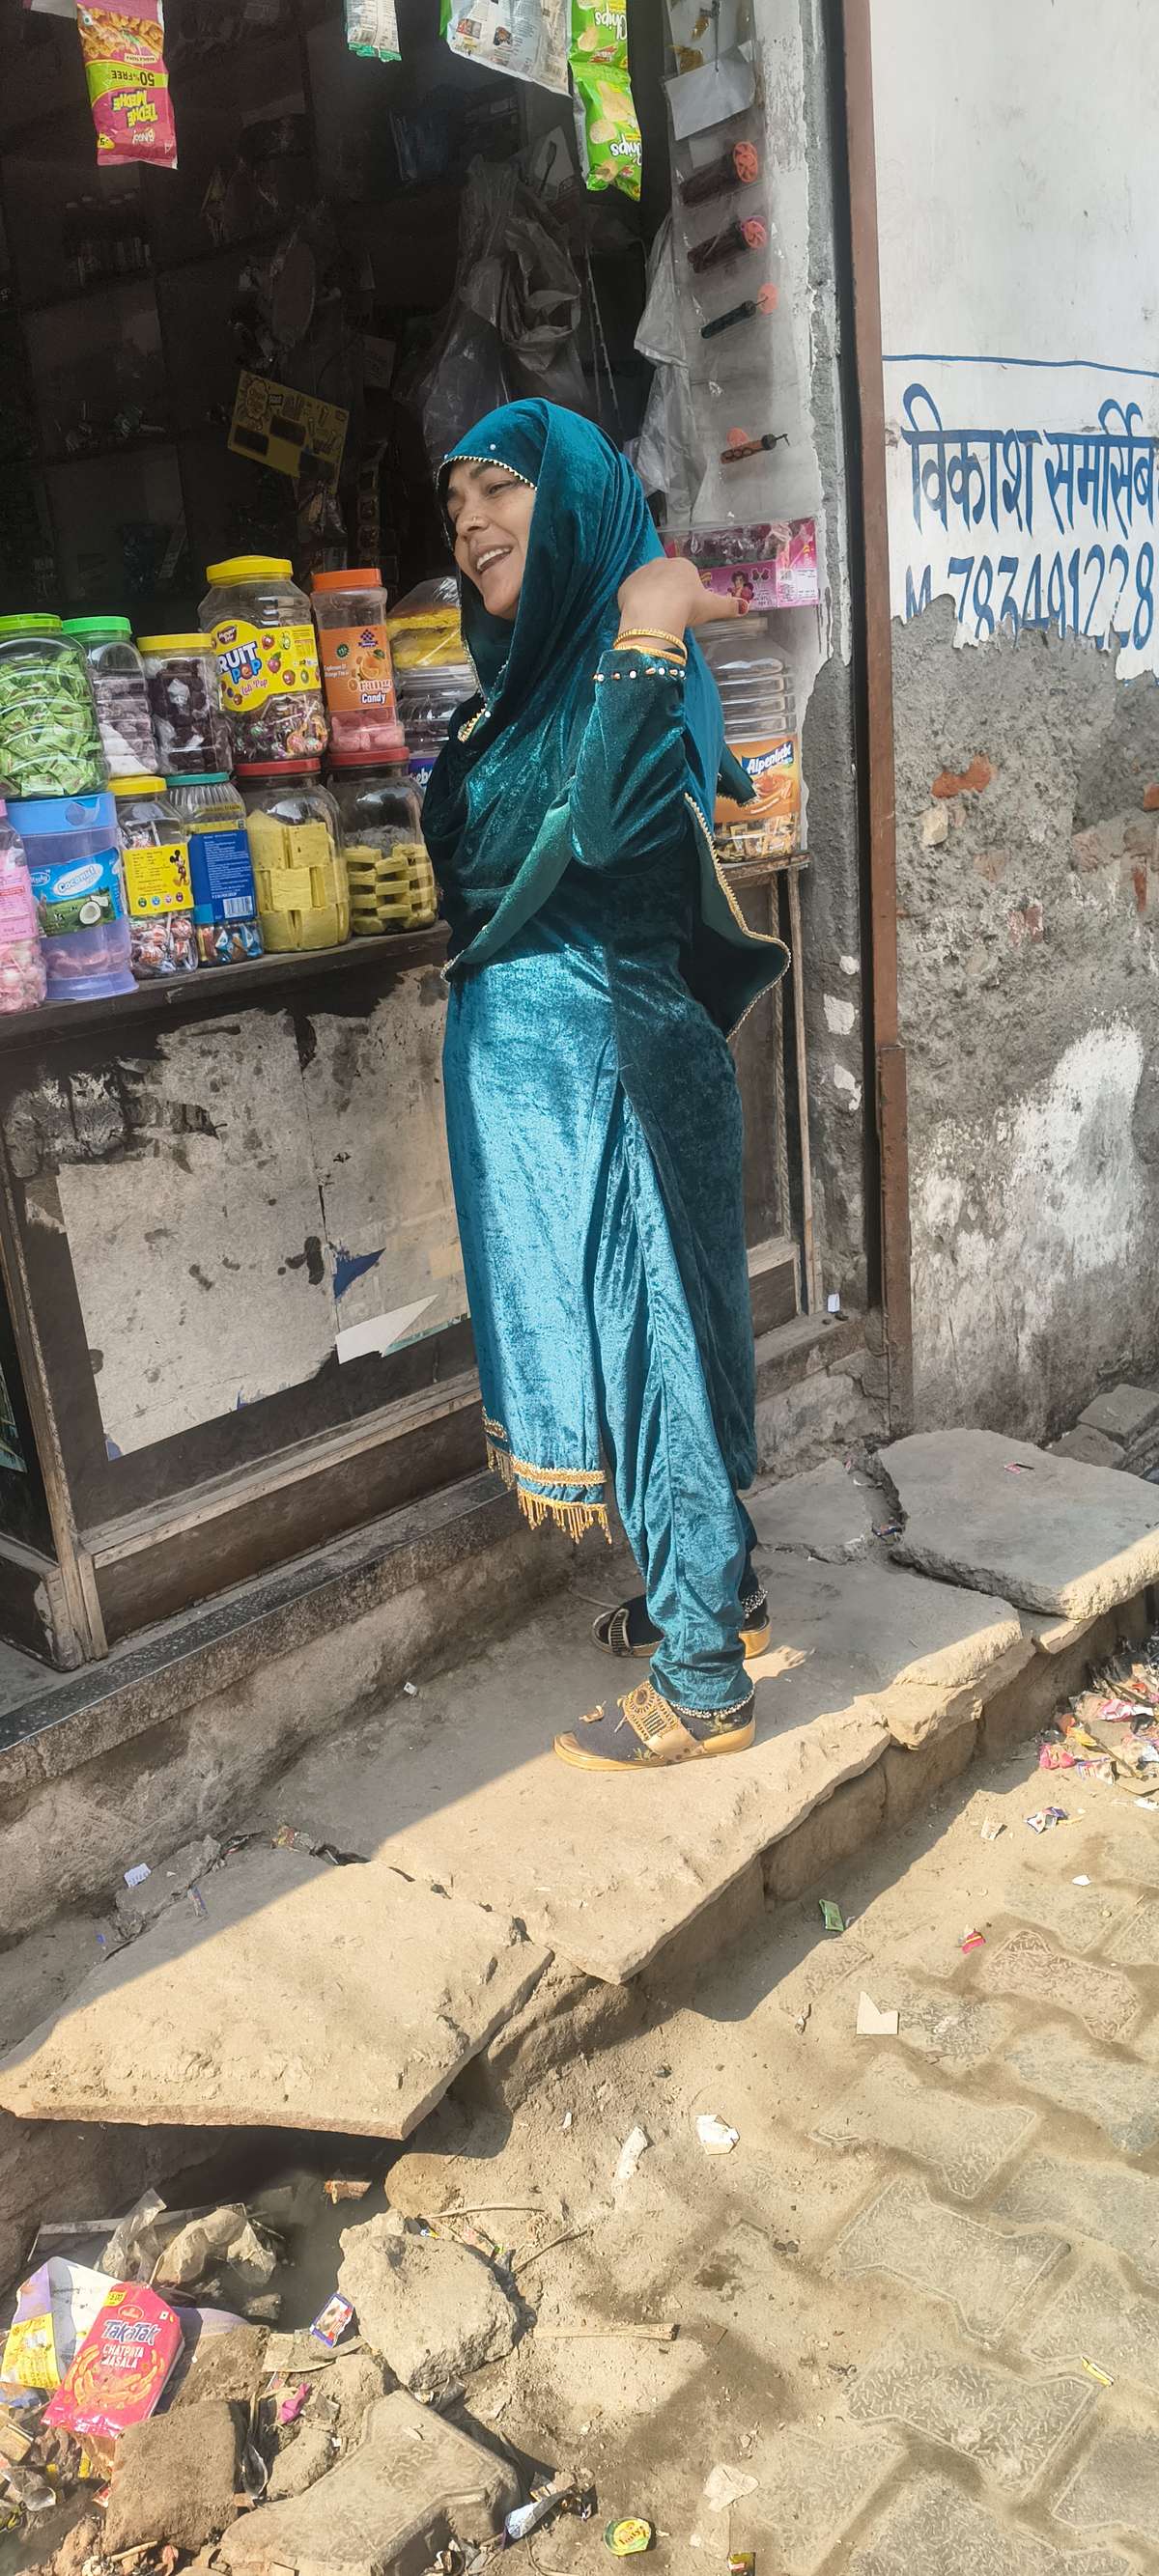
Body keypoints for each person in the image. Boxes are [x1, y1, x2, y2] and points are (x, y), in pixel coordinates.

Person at [422, 399, 789, 1772]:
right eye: (455, 504)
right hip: (564, 1076)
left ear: (576, 498)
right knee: (658, 1334)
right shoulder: (530, 682)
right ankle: (720, 1592)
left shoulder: (637, 646)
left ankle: (702, 1685)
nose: (470, 523)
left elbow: (623, 820)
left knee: (655, 1349)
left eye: (499, 488)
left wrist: (648, 620)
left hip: (609, 1068)